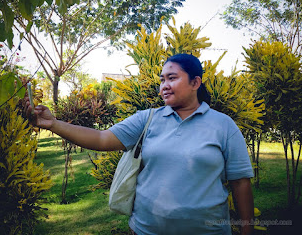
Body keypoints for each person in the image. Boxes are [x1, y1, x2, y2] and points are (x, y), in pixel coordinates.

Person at [25, 54, 254, 235]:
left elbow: (240, 182)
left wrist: (247, 229)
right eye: (162, 79)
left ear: (195, 82)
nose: (164, 85)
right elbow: (102, 138)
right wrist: (53, 124)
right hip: (147, 229)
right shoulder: (149, 118)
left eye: (172, 78)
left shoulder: (223, 125)